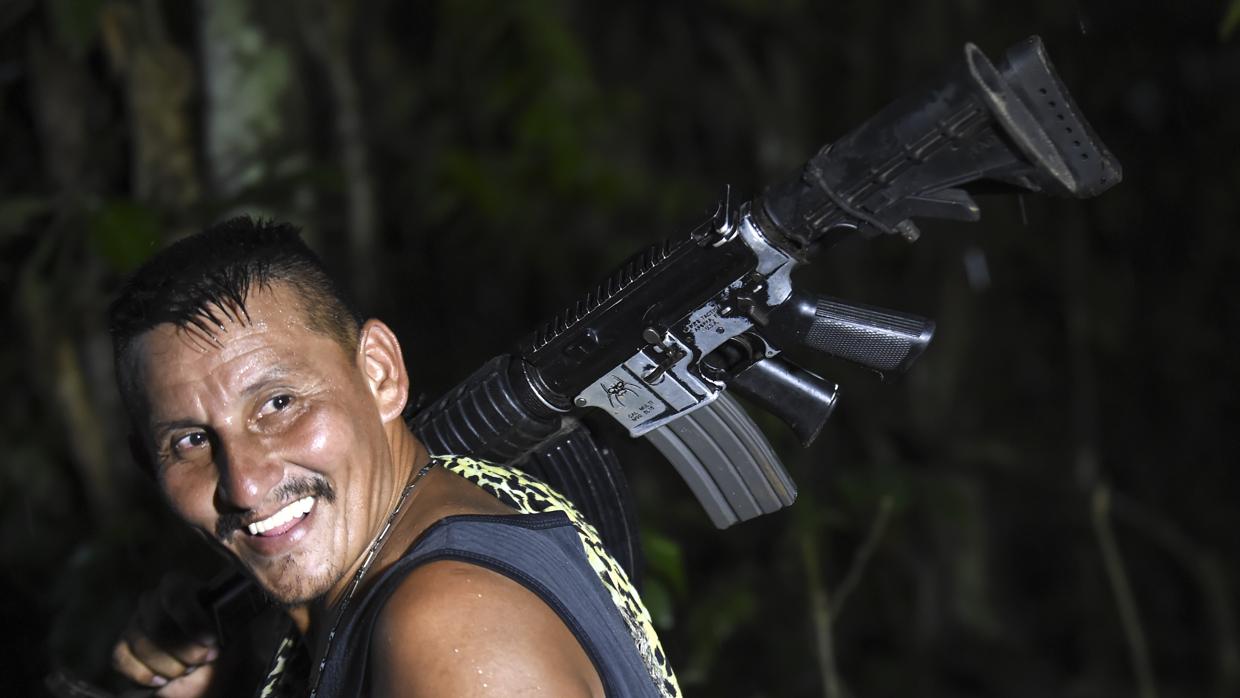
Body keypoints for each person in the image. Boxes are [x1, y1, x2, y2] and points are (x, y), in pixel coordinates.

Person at [107, 217, 680, 697]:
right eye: (191, 441)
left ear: (379, 373)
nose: (245, 485)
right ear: (149, 465)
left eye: (279, 403)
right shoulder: (381, 585)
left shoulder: (449, 628)